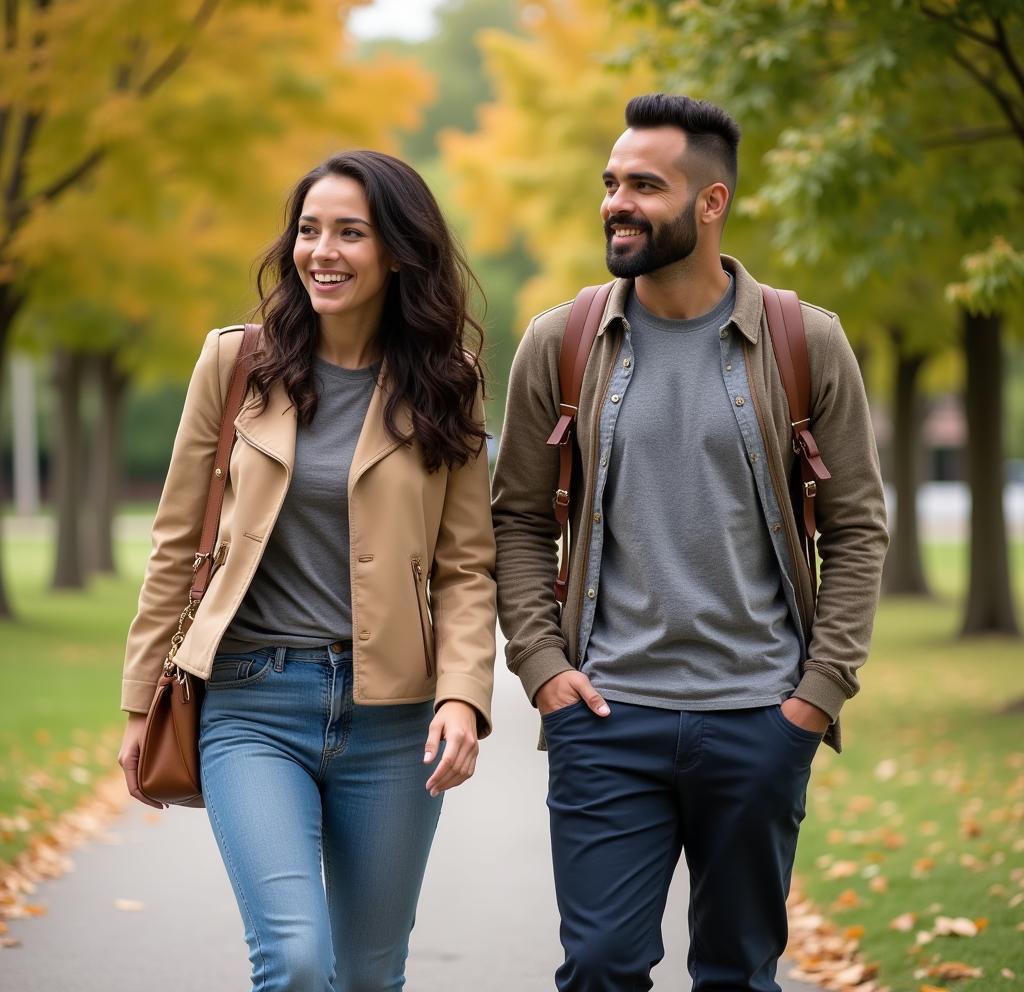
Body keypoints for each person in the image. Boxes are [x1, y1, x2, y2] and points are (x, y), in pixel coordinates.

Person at [492, 94, 888, 991]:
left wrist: (815, 699)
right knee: (598, 968)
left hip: (761, 718)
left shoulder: (804, 341)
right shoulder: (561, 342)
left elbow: (859, 530)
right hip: (605, 718)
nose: (616, 202)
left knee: (738, 974)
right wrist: (543, 670)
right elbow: (515, 519)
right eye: (611, 183)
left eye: (644, 184)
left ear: (711, 203)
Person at [118, 150, 497, 992]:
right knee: (291, 960)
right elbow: (177, 539)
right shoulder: (236, 363)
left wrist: (464, 694)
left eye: (349, 233)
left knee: (368, 975)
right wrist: (143, 702)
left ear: (397, 250)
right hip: (253, 700)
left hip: (395, 722)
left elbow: (466, 566)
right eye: (308, 229)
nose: (321, 250)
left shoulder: (447, 382)